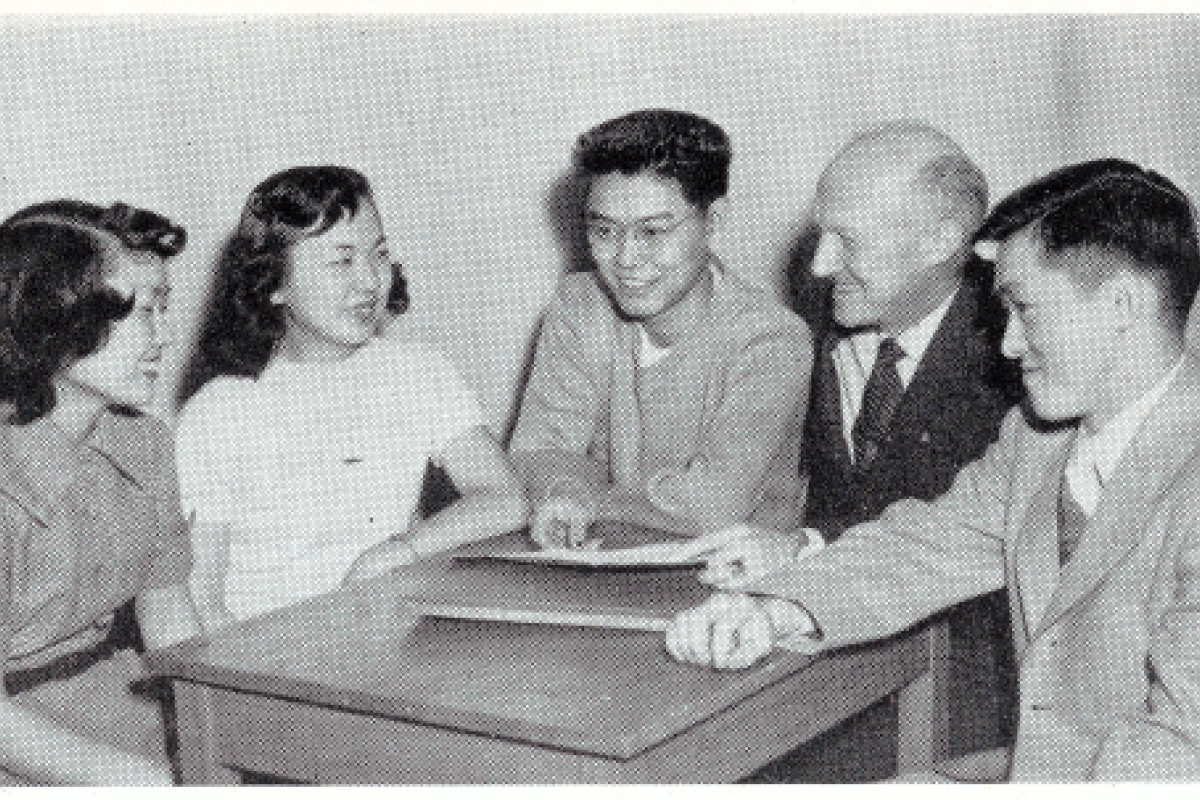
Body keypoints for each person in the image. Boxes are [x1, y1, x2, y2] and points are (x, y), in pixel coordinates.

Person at [666, 158, 1200, 781]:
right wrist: (775, 609)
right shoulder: (1038, 439)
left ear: (1122, 305)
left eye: (1025, 310)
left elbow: (1179, 745)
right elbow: (924, 544)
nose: (1008, 346)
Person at [770, 123, 1022, 779]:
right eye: (821, 235)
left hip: (964, 709)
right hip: (818, 660)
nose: (820, 265)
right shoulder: (826, 320)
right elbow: (839, 502)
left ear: (942, 240)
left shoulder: (1022, 357)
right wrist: (790, 543)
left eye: (846, 239)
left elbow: (968, 538)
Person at [175, 166, 527, 630]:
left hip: (384, 636)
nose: (369, 281)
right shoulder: (218, 413)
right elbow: (203, 602)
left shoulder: (419, 372)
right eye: (342, 261)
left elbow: (505, 499)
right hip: (269, 659)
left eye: (378, 255)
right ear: (274, 283)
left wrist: (398, 552)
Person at [510, 109, 812, 548]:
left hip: (736, 586)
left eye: (652, 231)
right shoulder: (580, 305)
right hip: (600, 570)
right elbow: (540, 448)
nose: (626, 259)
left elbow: (712, 507)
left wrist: (589, 497)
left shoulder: (771, 339)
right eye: (604, 231)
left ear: (713, 220)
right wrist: (564, 492)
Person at [0, 200, 200, 784]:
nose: (162, 336)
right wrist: (142, 784)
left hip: (112, 696)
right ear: (51, 319)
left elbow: (169, 614)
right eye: (136, 312)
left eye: (162, 306)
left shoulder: (146, 444)